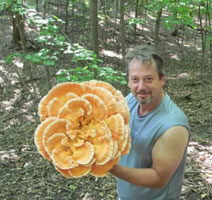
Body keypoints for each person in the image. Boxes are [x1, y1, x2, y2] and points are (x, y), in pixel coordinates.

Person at [109, 45, 190, 200]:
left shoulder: (173, 126)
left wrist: (110, 167)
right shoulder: (130, 101)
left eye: (148, 79)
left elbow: (158, 178)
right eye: (135, 79)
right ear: (128, 82)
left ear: (162, 79)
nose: (141, 87)